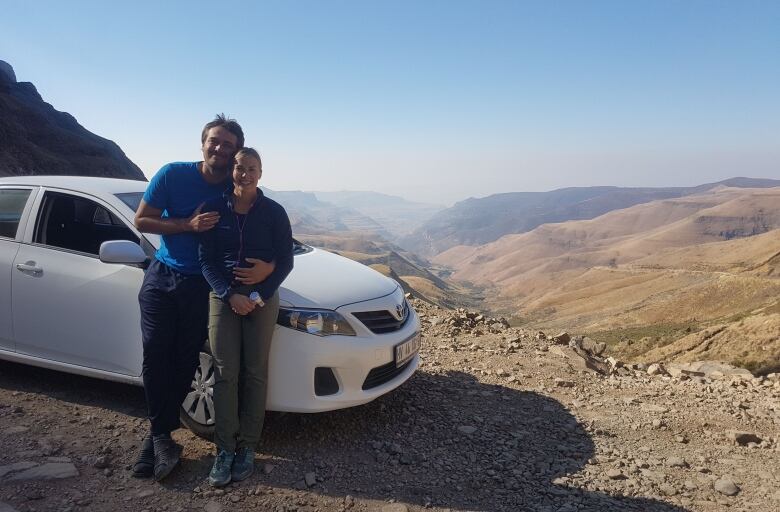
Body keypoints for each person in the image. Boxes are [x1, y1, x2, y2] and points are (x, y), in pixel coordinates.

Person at [133, 115, 274, 481]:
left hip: (204, 286)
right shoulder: (172, 175)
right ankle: (160, 435)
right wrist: (186, 225)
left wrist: (268, 268)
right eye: (214, 140)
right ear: (203, 142)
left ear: (236, 153)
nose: (219, 148)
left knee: (184, 361)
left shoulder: (235, 184)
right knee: (154, 353)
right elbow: (141, 221)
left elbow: (259, 224)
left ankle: (159, 437)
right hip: (163, 276)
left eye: (228, 144)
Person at [198, 147, 293, 487]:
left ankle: (248, 448)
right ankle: (225, 449)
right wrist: (229, 294)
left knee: (254, 373)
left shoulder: (274, 212)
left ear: (261, 172)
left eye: (252, 168)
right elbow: (206, 260)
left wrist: (256, 295)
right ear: (232, 171)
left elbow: (286, 261)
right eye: (240, 167)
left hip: (261, 301)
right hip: (223, 298)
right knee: (225, 373)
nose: (245, 174)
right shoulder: (213, 209)